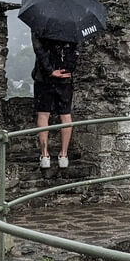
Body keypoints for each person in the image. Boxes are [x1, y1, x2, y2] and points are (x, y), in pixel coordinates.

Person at [31, 34, 78, 169]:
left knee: (43, 114)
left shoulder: (40, 24)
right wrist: (68, 69)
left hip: (43, 77)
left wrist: (50, 70)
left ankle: (45, 156)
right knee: (65, 114)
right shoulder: (71, 25)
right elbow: (75, 50)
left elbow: (39, 49)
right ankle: (63, 156)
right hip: (65, 78)